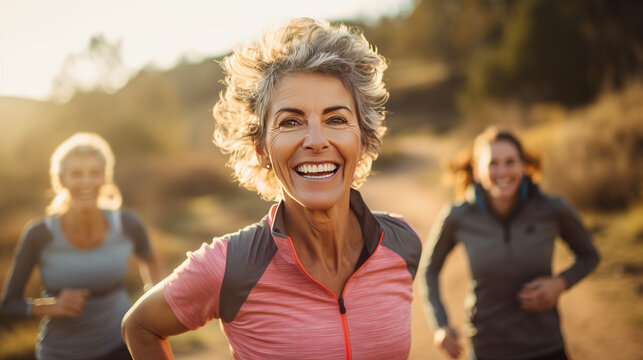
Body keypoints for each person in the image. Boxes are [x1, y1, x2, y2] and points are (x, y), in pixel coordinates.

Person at [121, 18, 422, 360]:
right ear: (261, 148)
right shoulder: (230, 266)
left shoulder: (402, 243)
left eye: (336, 119)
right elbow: (140, 326)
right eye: (290, 122)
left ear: (363, 139)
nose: (315, 141)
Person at [423, 127, 600, 360]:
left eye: (510, 162)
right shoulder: (458, 215)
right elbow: (429, 269)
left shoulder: (553, 209)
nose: (502, 171)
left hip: (546, 347)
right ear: (477, 171)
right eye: (493, 164)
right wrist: (441, 326)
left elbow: (589, 256)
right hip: (487, 349)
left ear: (523, 166)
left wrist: (560, 283)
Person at [0, 132, 162, 360]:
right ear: (61, 180)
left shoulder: (127, 223)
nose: (86, 182)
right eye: (76, 174)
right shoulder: (39, 234)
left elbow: (150, 258)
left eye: (94, 173)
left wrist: (151, 304)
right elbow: (8, 306)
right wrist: (51, 307)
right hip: (62, 353)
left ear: (105, 178)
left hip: (122, 343)